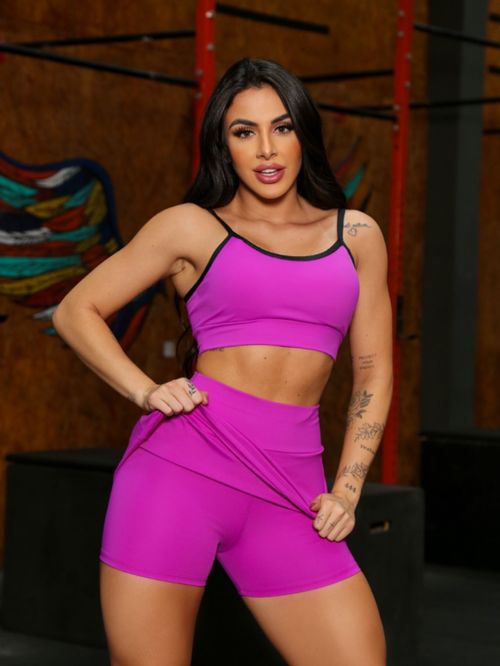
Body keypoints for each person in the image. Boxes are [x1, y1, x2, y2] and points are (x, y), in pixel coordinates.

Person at [53, 57, 392, 666]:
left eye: (281, 127)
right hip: (178, 476)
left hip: (293, 491)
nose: (266, 149)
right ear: (222, 143)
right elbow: (77, 310)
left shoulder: (356, 236)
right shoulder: (191, 227)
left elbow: (372, 371)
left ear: (303, 133)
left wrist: (346, 490)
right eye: (244, 131)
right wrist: (144, 390)